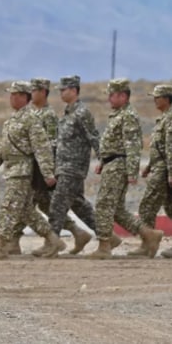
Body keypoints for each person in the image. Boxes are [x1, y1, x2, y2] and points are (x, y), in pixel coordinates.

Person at [0, 81, 62, 259]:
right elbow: (3, 148)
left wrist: (48, 173)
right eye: (11, 94)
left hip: (22, 170)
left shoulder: (31, 119)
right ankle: (53, 240)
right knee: (26, 211)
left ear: (25, 97)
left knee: (8, 207)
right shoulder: (11, 120)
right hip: (11, 170)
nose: (12, 98)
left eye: (16, 94)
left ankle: (2, 246)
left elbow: (42, 147)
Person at [12, 78, 92, 256]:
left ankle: (21, 240)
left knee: (30, 203)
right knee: (42, 204)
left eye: (34, 91)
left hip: (42, 168)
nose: (31, 94)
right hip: (35, 166)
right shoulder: (35, 113)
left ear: (42, 92)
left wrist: (47, 169)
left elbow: (50, 144)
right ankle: (76, 232)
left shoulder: (48, 115)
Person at [87, 78, 163, 259]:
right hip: (112, 164)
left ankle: (105, 245)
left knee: (104, 205)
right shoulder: (118, 115)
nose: (109, 99)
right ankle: (148, 234)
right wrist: (103, 162)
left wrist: (131, 172)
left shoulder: (128, 116)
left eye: (112, 95)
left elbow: (132, 146)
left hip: (119, 166)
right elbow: (113, 144)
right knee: (117, 209)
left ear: (122, 96)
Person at [46, 75, 110, 255]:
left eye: (63, 89)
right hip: (63, 166)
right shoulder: (68, 112)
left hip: (73, 167)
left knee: (57, 204)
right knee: (79, 204)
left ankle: (52, 243)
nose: (60, 92)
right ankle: (108, 236)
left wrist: (102, 160)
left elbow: (93, 136)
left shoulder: (82, 112)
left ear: (74, 90)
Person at [130, 85, 172, 257]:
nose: (155, 100)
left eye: (158, 97)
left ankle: (147, 245)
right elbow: (160, 148)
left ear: (167, 99)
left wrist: (170, 172)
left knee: (147, 206)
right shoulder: (163, 119)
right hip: (160, 167)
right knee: (170, 207)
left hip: (165, 169)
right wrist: (148, 167)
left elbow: (170, 148)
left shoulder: (170, 119)